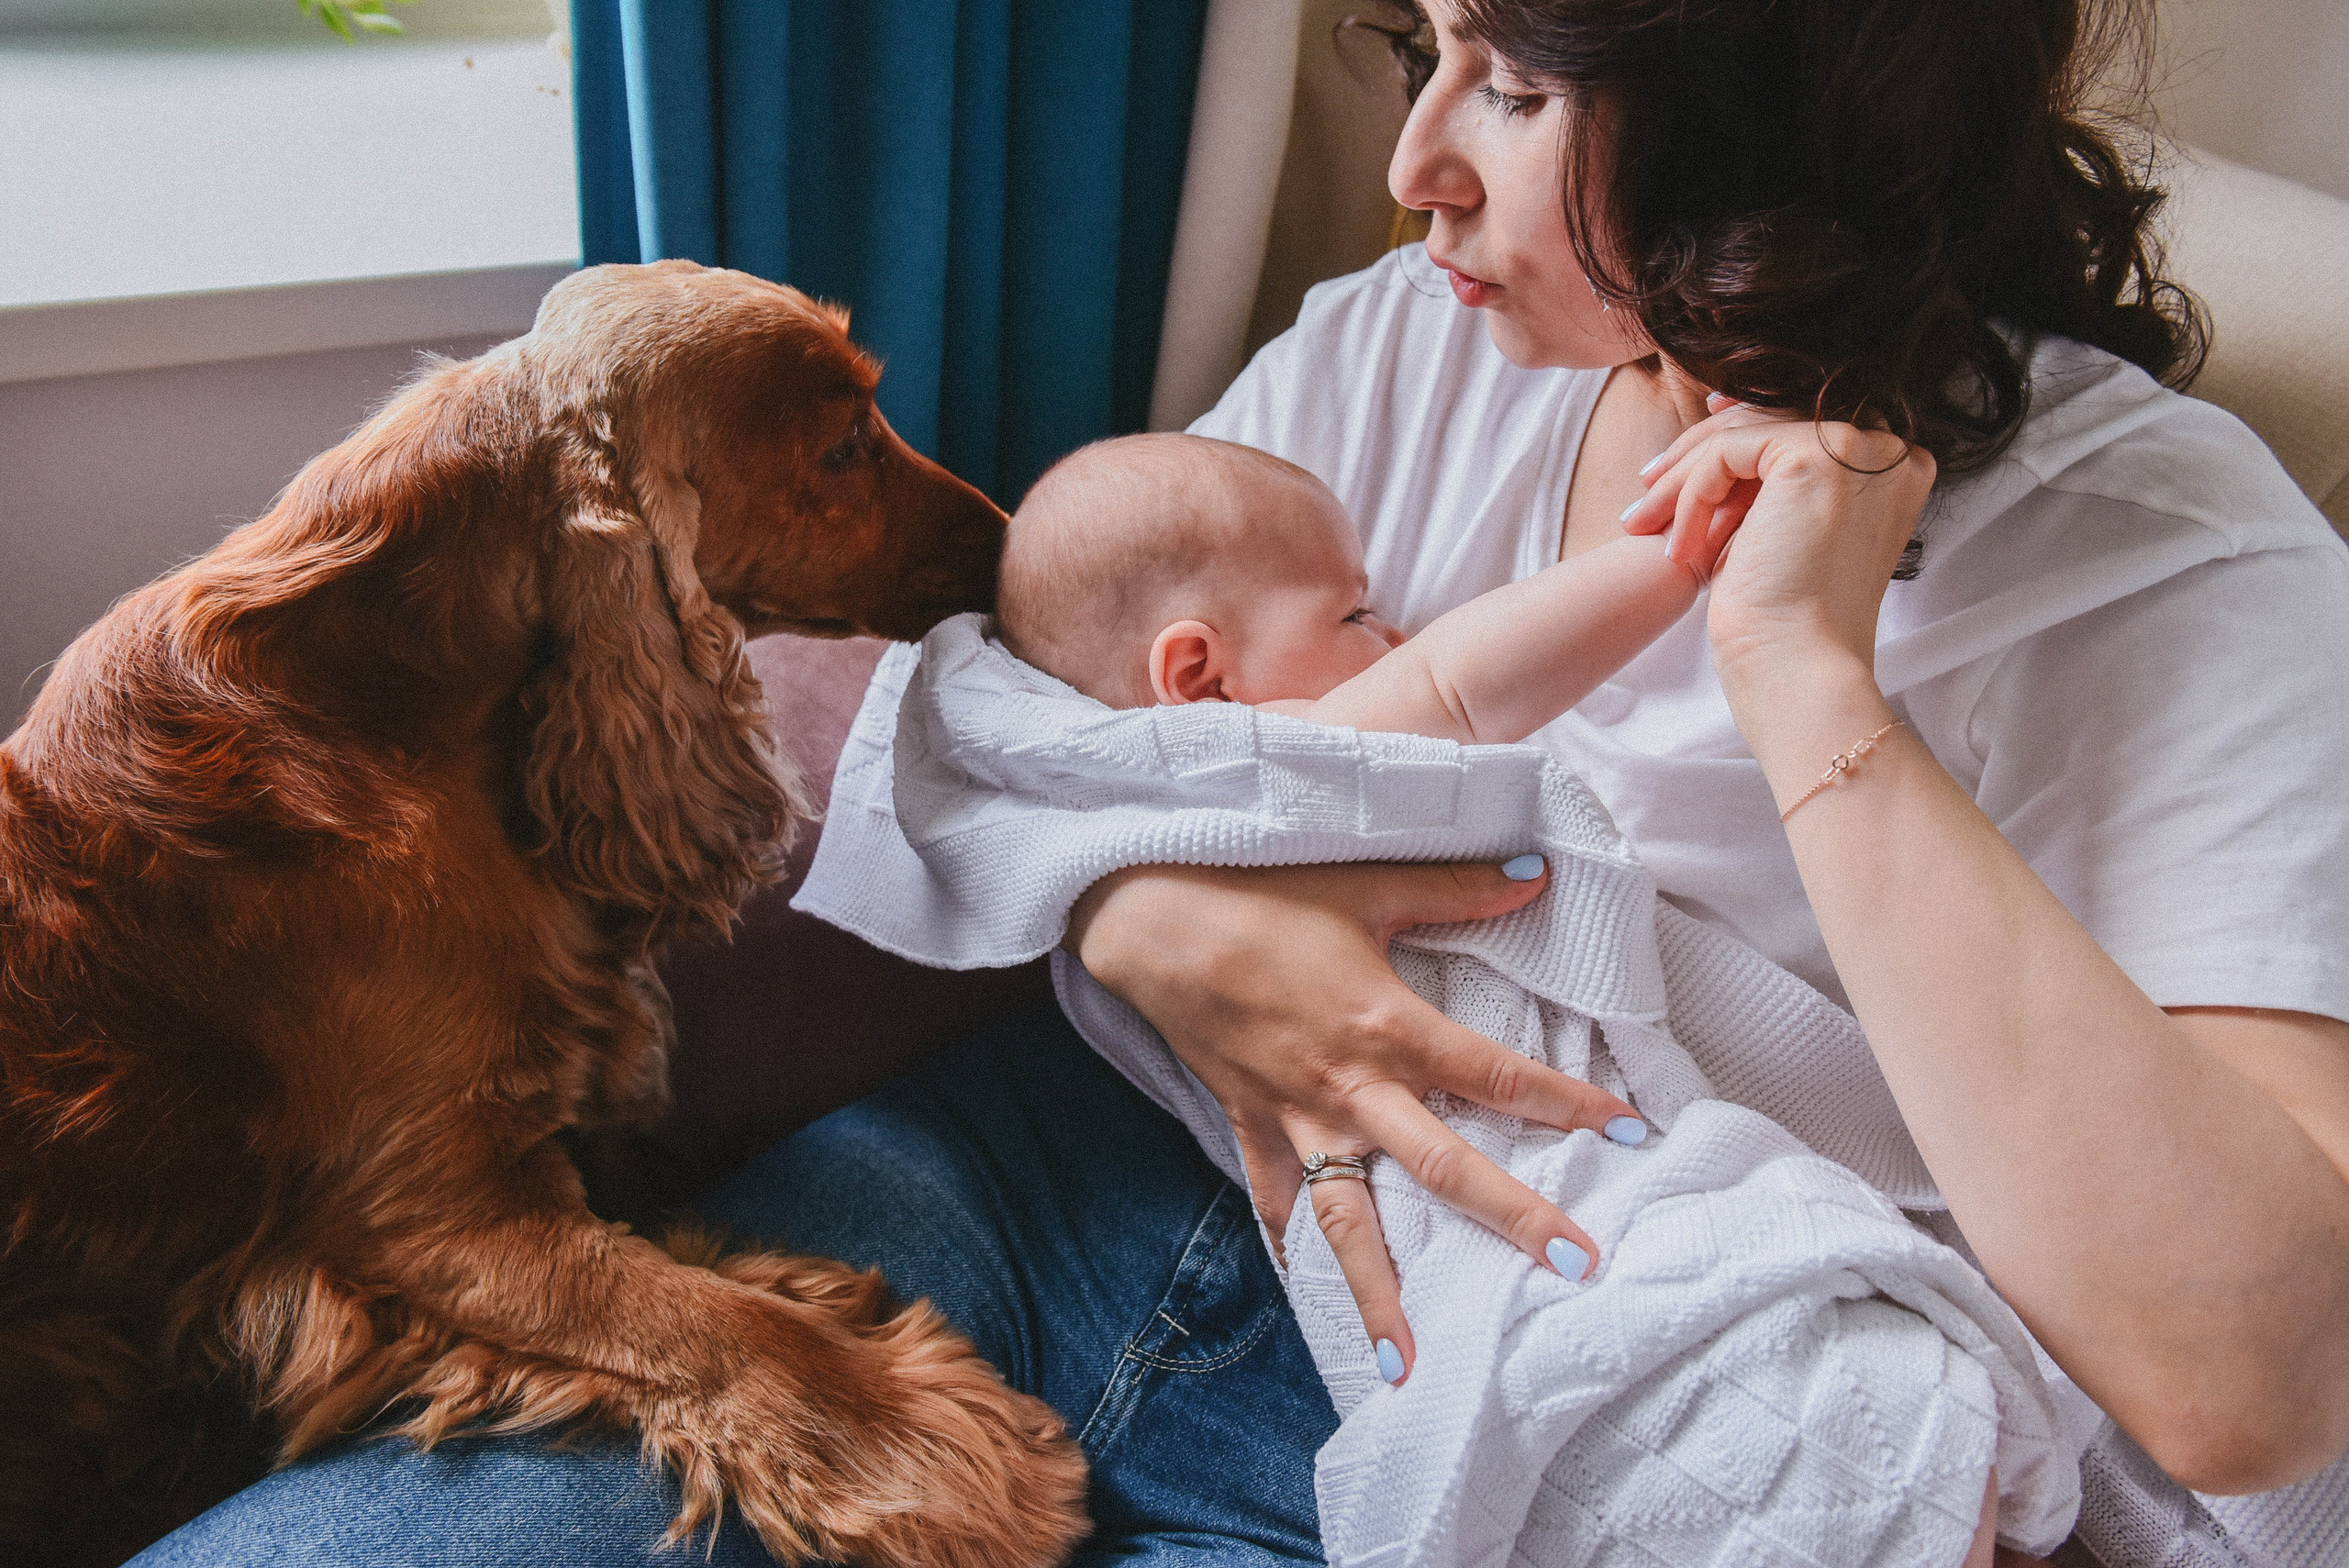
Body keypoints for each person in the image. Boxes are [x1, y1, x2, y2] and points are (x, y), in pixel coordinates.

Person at [138, 0, 2349, 1563]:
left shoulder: (2165, 564)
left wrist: (1800, 674)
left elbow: (2238, 1377)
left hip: (1538, 1380)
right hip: (1045, 1180)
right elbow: (1076, 716)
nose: (1412, 169)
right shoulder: (1409, 336)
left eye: (1511, 84)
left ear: (1778, 112)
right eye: (1422, 50)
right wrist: (1156, 909)